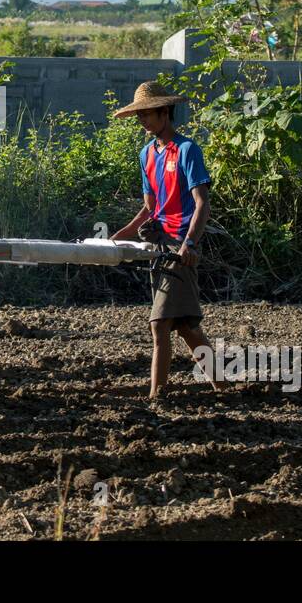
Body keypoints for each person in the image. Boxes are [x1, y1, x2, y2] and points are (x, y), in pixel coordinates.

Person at [111, 80, 224, 398]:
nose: (143, 121)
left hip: (179, 247)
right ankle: (222, 385)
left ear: (165, 111)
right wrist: (118, 238)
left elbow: (202, 202)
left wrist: (190, 243)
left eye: (147, 114)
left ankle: (156, 397)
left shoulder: (187, 150)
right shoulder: (146, 154)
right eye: (139, 116)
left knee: (159, 325)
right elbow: (149, 209)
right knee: (187, 327)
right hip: (158, 245)